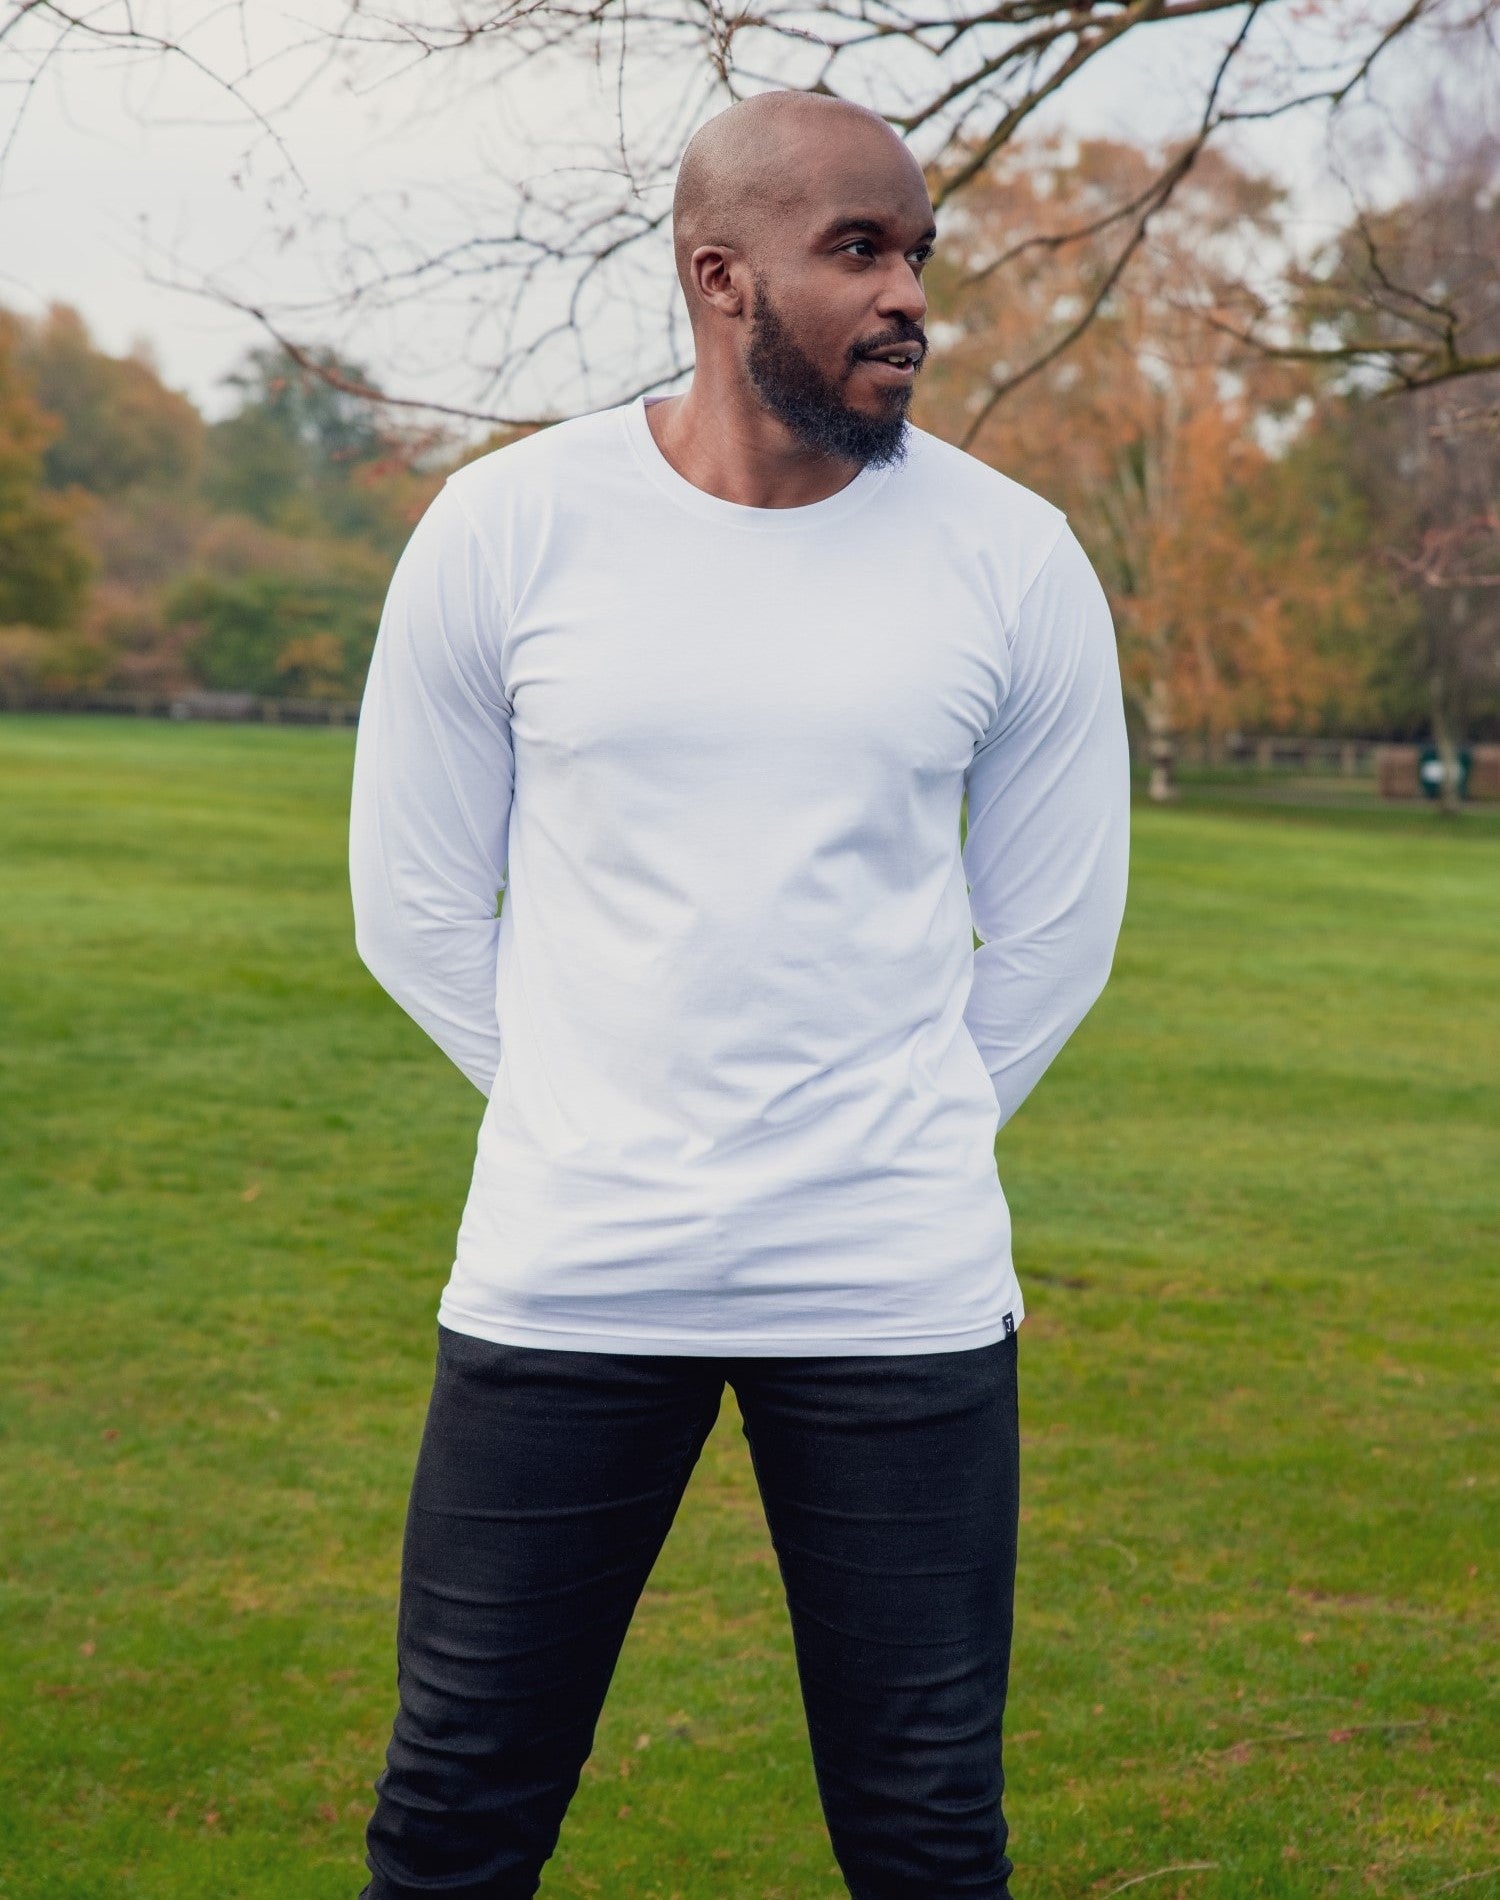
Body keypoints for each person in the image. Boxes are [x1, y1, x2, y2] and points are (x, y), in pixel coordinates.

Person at [348, 87, 1130, 1900]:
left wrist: (889, 1136)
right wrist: (591, 1110)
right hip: (572, 1267)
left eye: (921, 252)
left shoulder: (1009, 558)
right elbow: (412, 908)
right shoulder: (506, 529)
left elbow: (1058, 934)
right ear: (720, 275)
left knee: (930, 1830)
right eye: (859, 249)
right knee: (456, 1806)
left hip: (892, 1282)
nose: (909, 295)